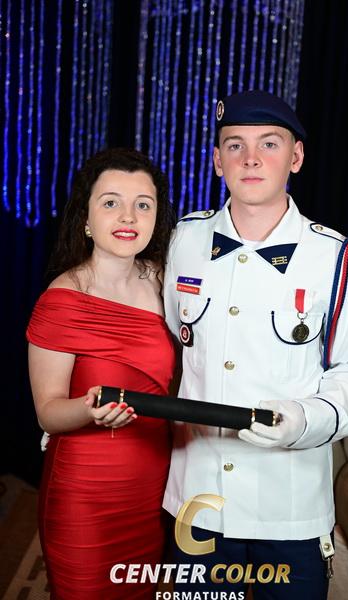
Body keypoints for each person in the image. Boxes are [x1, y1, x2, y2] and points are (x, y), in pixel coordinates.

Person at [162, 90, 348, 600]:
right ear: (217, 160)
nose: (251, 158)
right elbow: (169, 342)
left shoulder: (335, 257)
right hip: (198, 499)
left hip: (289, 507)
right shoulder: (183, 242)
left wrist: (305, 420)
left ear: (296, 156)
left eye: (269, 143)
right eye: (235, 145)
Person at [26, 147, 176, 599]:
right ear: (87, 218)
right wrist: (88, 409)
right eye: (111, 202)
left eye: (142, 205)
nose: (128, 216)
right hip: (85, 494)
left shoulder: (168, 283)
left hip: (152, 486)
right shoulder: (62, 299)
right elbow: (48, 413)